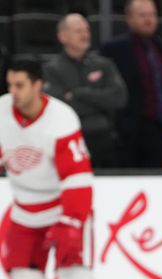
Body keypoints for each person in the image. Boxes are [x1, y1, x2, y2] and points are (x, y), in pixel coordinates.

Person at [0, 59, 112, 279]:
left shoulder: (61, 118)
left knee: (72, 273)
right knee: (22, 277)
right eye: (10, 85)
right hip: (25, 210)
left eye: (20, 85)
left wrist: (71, 222)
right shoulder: (1, 112)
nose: (14, 92)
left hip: (64, 207)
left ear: (38, 85)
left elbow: (77, 177)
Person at [44, 13, 129, 169]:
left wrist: (77, 93)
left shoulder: (103, 64)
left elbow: (119, 97)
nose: (85, 35)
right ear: (63, 37)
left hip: (104, 142)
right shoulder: (52, 69)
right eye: (79, 31)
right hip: (69, 142)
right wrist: (99, 101)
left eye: (87, 30)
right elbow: (58, 107)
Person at [101, 0, 162, 168]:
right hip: (127, 134)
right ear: (129, 18)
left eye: (152, 15)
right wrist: (120, 128)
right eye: (142, 15)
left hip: (158, 129)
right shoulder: (114, 49)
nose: (149, 20)